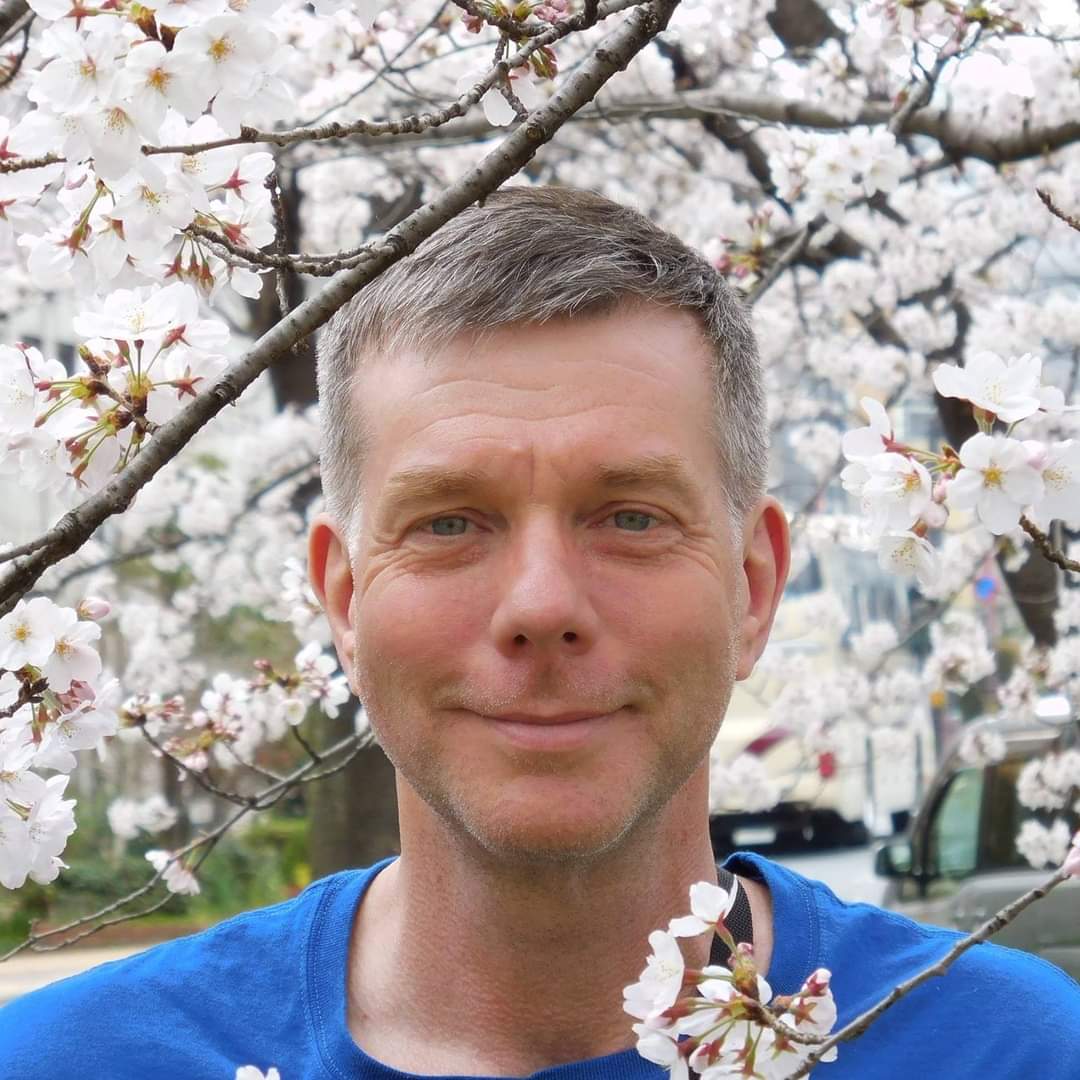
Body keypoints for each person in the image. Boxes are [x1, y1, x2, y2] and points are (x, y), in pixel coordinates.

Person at [1, 186, 1078, 1080]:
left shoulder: (1012, 1052)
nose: (542, 606)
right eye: (450, 523)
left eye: (631, 517)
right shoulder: (68, 1063)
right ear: (340, 598)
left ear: (753, 588)